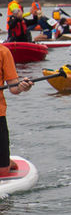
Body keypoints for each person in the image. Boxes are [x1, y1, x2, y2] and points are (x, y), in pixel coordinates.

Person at [0, 44, 34, 177]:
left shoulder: (3, 52)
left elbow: (14, 88)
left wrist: (22, 87)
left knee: (2, 172)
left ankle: (7, 162)